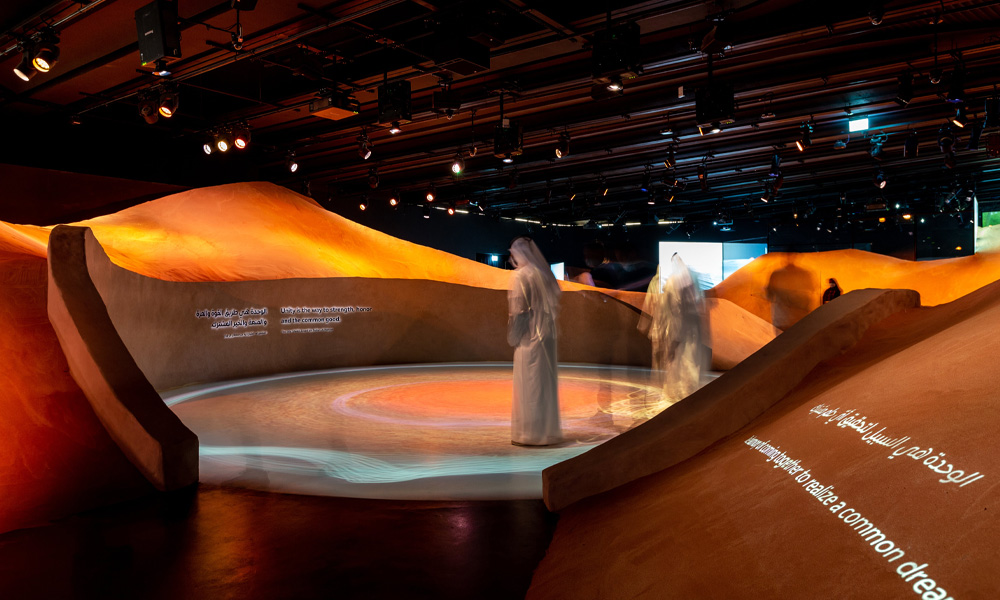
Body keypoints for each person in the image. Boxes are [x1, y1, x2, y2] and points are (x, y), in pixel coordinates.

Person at [507, 236, 562, 446]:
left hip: (529, 336)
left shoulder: (521, 276)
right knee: (544, 383)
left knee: (529, 383)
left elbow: (519, 310)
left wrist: (513, 336)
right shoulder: (543, 274)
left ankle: (529, 433)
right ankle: (546, 430)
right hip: (546, 336)